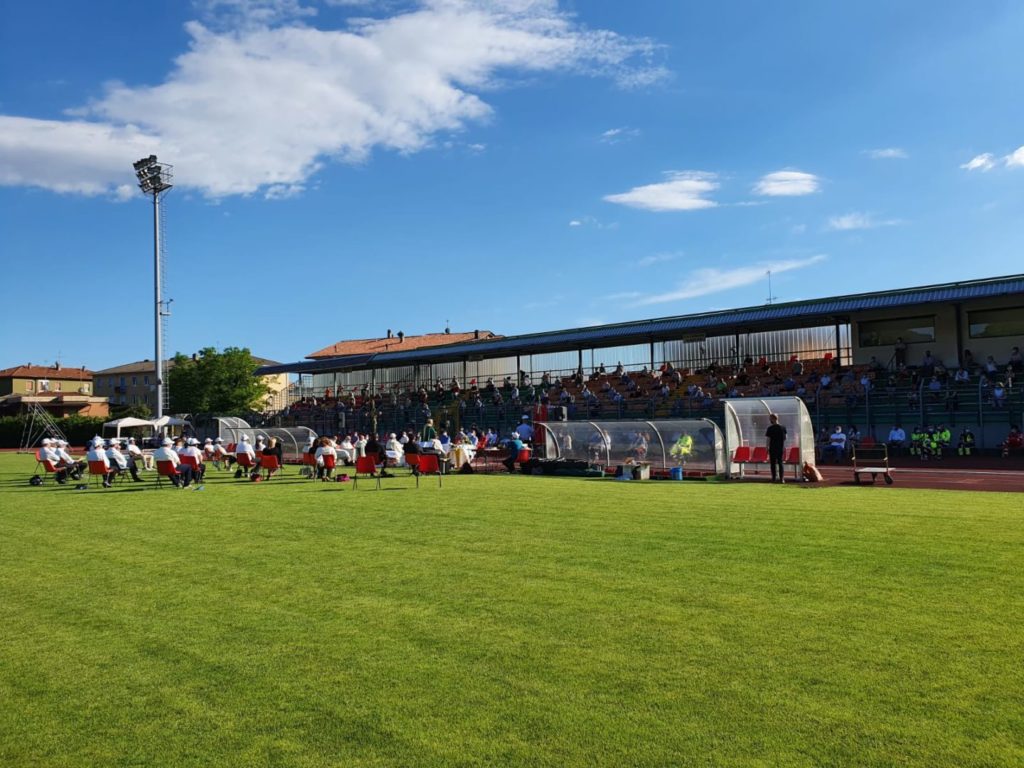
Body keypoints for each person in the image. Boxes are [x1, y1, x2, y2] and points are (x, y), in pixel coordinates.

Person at [765, 413, 788, 483]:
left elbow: (768, 439)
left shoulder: (770, 428)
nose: (770, 420)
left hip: (772, 447)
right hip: (780, 447)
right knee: (780, 463)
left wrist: (767, 447)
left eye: (770, 419)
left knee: (773, 463)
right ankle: (782, 479)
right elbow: (785, 438)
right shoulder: (783, 427)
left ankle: (774, 478)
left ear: (773, 419)